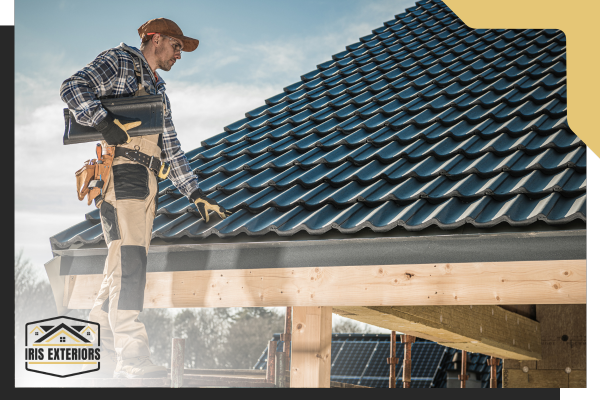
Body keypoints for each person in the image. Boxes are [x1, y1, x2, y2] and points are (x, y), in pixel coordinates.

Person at [60, 18, 232, 379]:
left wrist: (196, 194)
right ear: (155, 40)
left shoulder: (159, 91)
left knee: (120, 268)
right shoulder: (121, 61)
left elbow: (171, 147)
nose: (179, 55)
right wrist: (103, 122)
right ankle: (133, 357)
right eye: (176, 46)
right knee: (132, 265)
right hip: (124, 177)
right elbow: (72, 87)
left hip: (145, 181)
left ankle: (98, 350)